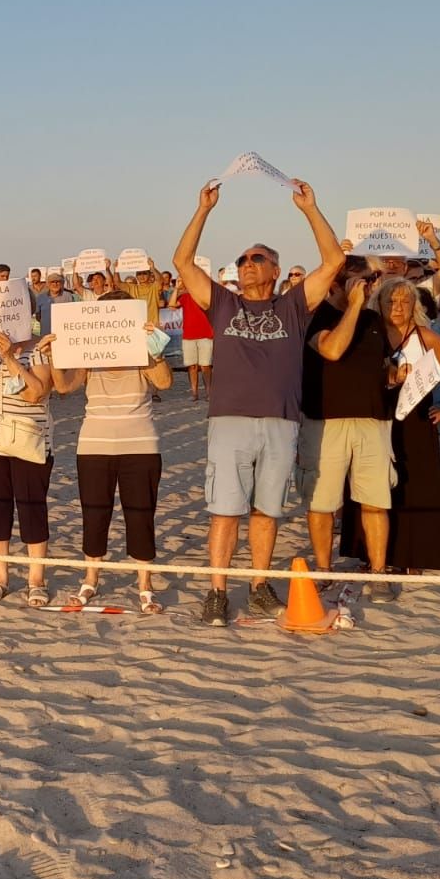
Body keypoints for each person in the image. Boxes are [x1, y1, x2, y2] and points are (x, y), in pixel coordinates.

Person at [171, 177, 345, 627]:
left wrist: (310, 209)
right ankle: (216, 592)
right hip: (229, 420)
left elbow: (334, 261)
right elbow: (182, 261)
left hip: (281, 421)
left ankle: (259, 585)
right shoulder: (224, 305)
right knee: (225, 511)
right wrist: (203, 210)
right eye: (243, 260)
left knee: (266, 511)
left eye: (257, 259)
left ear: (274, 270)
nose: (247, 265)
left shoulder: (292, 306)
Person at [47, 300, 174, 613]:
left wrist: (155, 349)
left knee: (141, 515)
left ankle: (145, 585)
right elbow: (63, 386)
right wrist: (53, 356)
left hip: (140, 443)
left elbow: (165, 382)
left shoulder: (142, 350)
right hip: (94, 443)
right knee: (94, 514)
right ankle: (90, 579)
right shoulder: (89, 356)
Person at [295, 262, 395, 629]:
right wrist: (353, 305)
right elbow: (333, 350)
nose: (367, 287)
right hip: (326, 421)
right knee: (322, 502)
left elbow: (382, 364)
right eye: (361, 281)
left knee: (375, 498)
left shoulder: (374, 319)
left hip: (373, 420)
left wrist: (396, 375)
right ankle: (324, 568)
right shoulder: (316, 316)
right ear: (338, 284)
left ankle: (380, 571)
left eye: (368, 282)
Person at [370, 278, 440, 573]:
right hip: (377, 417)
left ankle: (414, 556)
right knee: (376, 489)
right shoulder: (370, 334)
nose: (397, 307)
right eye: (391, 300)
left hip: (416, 420)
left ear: (414, 306)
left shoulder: (425, 336)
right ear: (380, 303)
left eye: (404, 301)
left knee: (415, 488)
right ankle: (377, 555)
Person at [0, 327, 55, 605]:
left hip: (29, 440)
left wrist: (9, 357)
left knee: (32, 508)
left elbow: (35, 393)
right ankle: (0, 576)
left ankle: (36, 579)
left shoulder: (40, 349)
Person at [173, 282, 213, 401]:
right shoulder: (185, 297)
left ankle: (209, 393)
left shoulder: (206, 295)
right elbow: (171, 305)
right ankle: (194, 393)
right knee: (192, 367)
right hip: (189, 335)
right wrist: (176, 288)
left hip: (206, 334)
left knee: (206, 366)